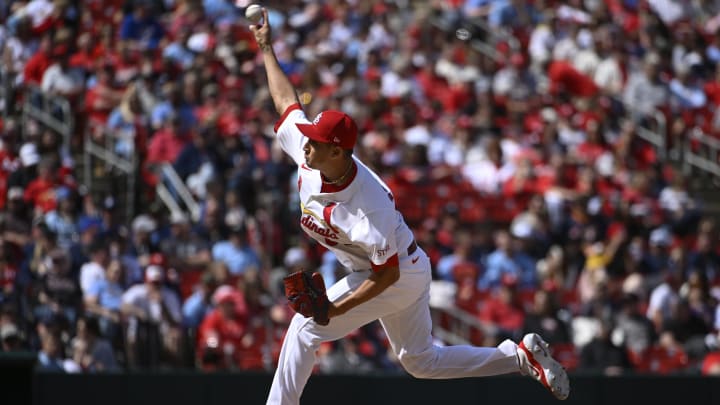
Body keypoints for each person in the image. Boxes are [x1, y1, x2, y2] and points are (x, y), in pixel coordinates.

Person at [248, 8, 570, 405]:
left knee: (305, 328)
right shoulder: (311, 155)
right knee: (420, 361)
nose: (305, 142)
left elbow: (386, 276)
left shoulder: (369, 205)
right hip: (398, 266)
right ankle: (519, 357)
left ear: (338, 150)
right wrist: (266, 48)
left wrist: (334, 307)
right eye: (308, 138)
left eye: (315, 140)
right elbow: (286, 103)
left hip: (393, 273)